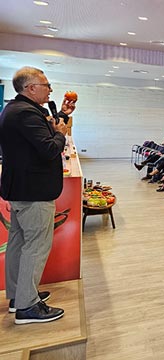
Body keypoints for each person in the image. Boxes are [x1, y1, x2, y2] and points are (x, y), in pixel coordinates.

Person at [0, 66, 76, 324]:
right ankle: (28, 306)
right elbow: (47, 149)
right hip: (34, 191)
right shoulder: (26, 114)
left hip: (20, 188)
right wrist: (60, 134)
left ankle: (18, 296)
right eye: (46, 85)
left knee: (19, 244)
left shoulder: (15, 109)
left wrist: (62, 115)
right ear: (31, 88)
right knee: (35, 247)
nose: (50, 89)